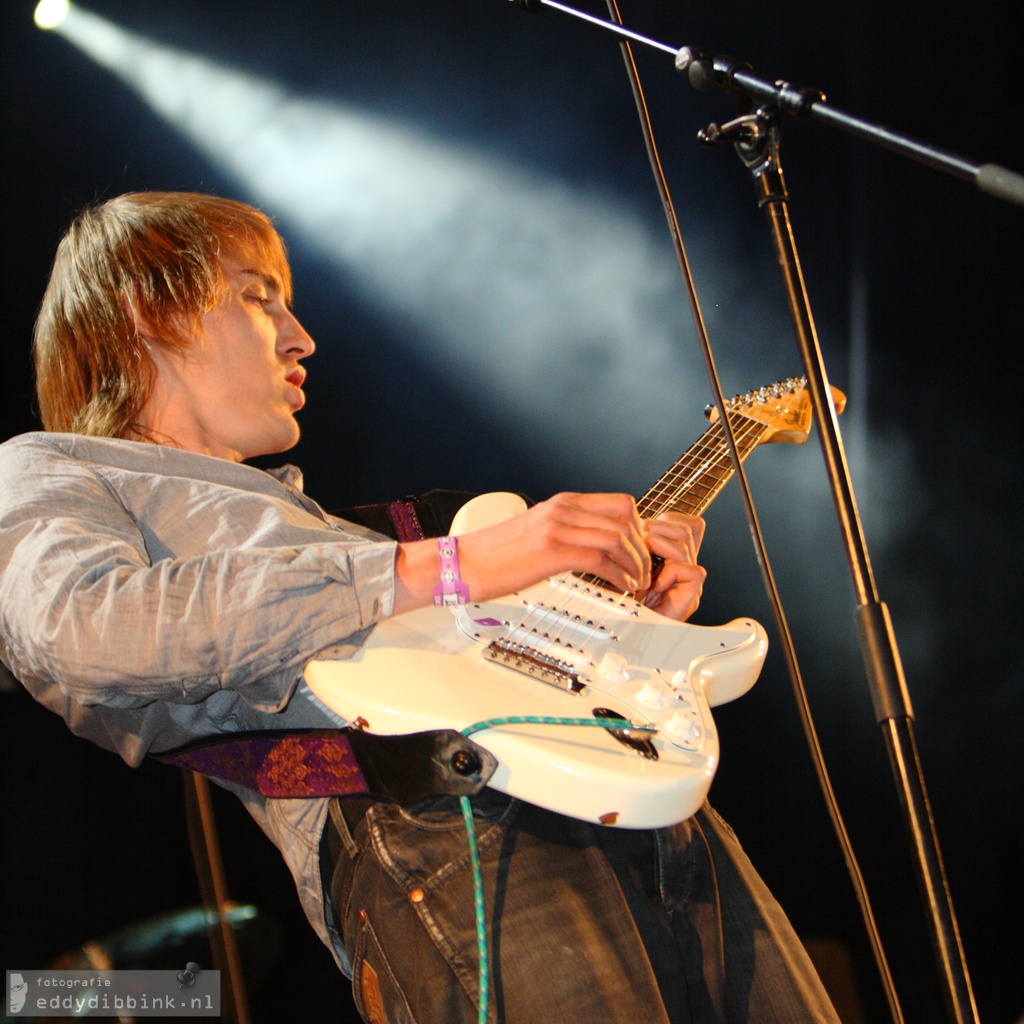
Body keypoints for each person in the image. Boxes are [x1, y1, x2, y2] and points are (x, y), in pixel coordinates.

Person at [0, 192, 840, 1023]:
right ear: (151, 308)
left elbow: (457, 613)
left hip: (655, 801)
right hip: (450, 831)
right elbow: (80, 629)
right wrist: (459, 563)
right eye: (259, 297)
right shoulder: (48, 469)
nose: (302, 337)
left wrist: (627, 623)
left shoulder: (342, 533)